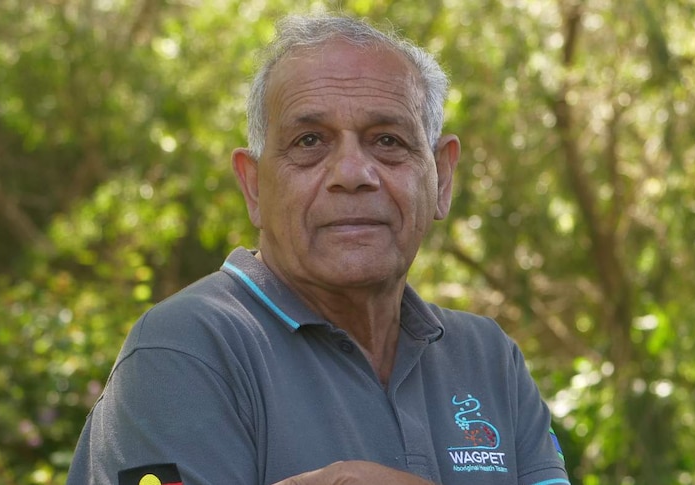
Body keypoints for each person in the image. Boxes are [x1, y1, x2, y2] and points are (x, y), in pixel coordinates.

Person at [67, 13, 570, 485]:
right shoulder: (187, 348)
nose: (352, 174)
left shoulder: (487, 356)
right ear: (254, 187)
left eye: (388, 140)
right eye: (309, 141)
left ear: (441, 177)